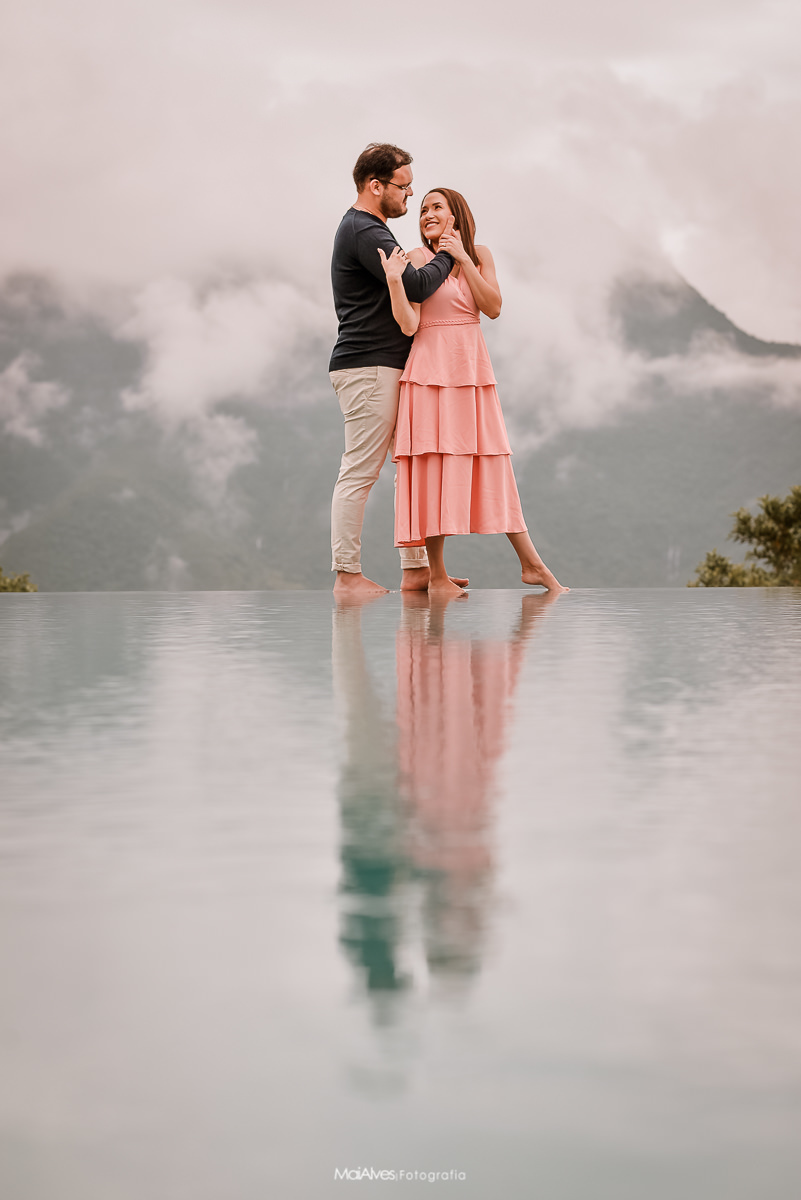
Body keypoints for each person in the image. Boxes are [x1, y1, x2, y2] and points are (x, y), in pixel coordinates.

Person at [378, 187, 568, 597]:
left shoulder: (480, 255)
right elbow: (409, 324)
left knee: (492, 461)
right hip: (429, 373)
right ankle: (437, 575)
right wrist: (394, 281)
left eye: (437, 207)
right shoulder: (416, 258)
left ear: (456, 215)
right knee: (431, 465)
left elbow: (493, 306)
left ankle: (531, 564)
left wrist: (462, 257)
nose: (427, 214)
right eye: (423, 209)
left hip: (472, 373)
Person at [329, 144, 468, 598]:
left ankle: (417, 570)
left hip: (383, 366)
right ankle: (347, 576)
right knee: (359, 470)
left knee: (406, 467)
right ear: (376, 186)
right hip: (369, 367)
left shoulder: (367, 228)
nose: (409, 195)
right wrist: (447, 253)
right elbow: (418, 285)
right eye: (403, 186)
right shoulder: (365, 230)